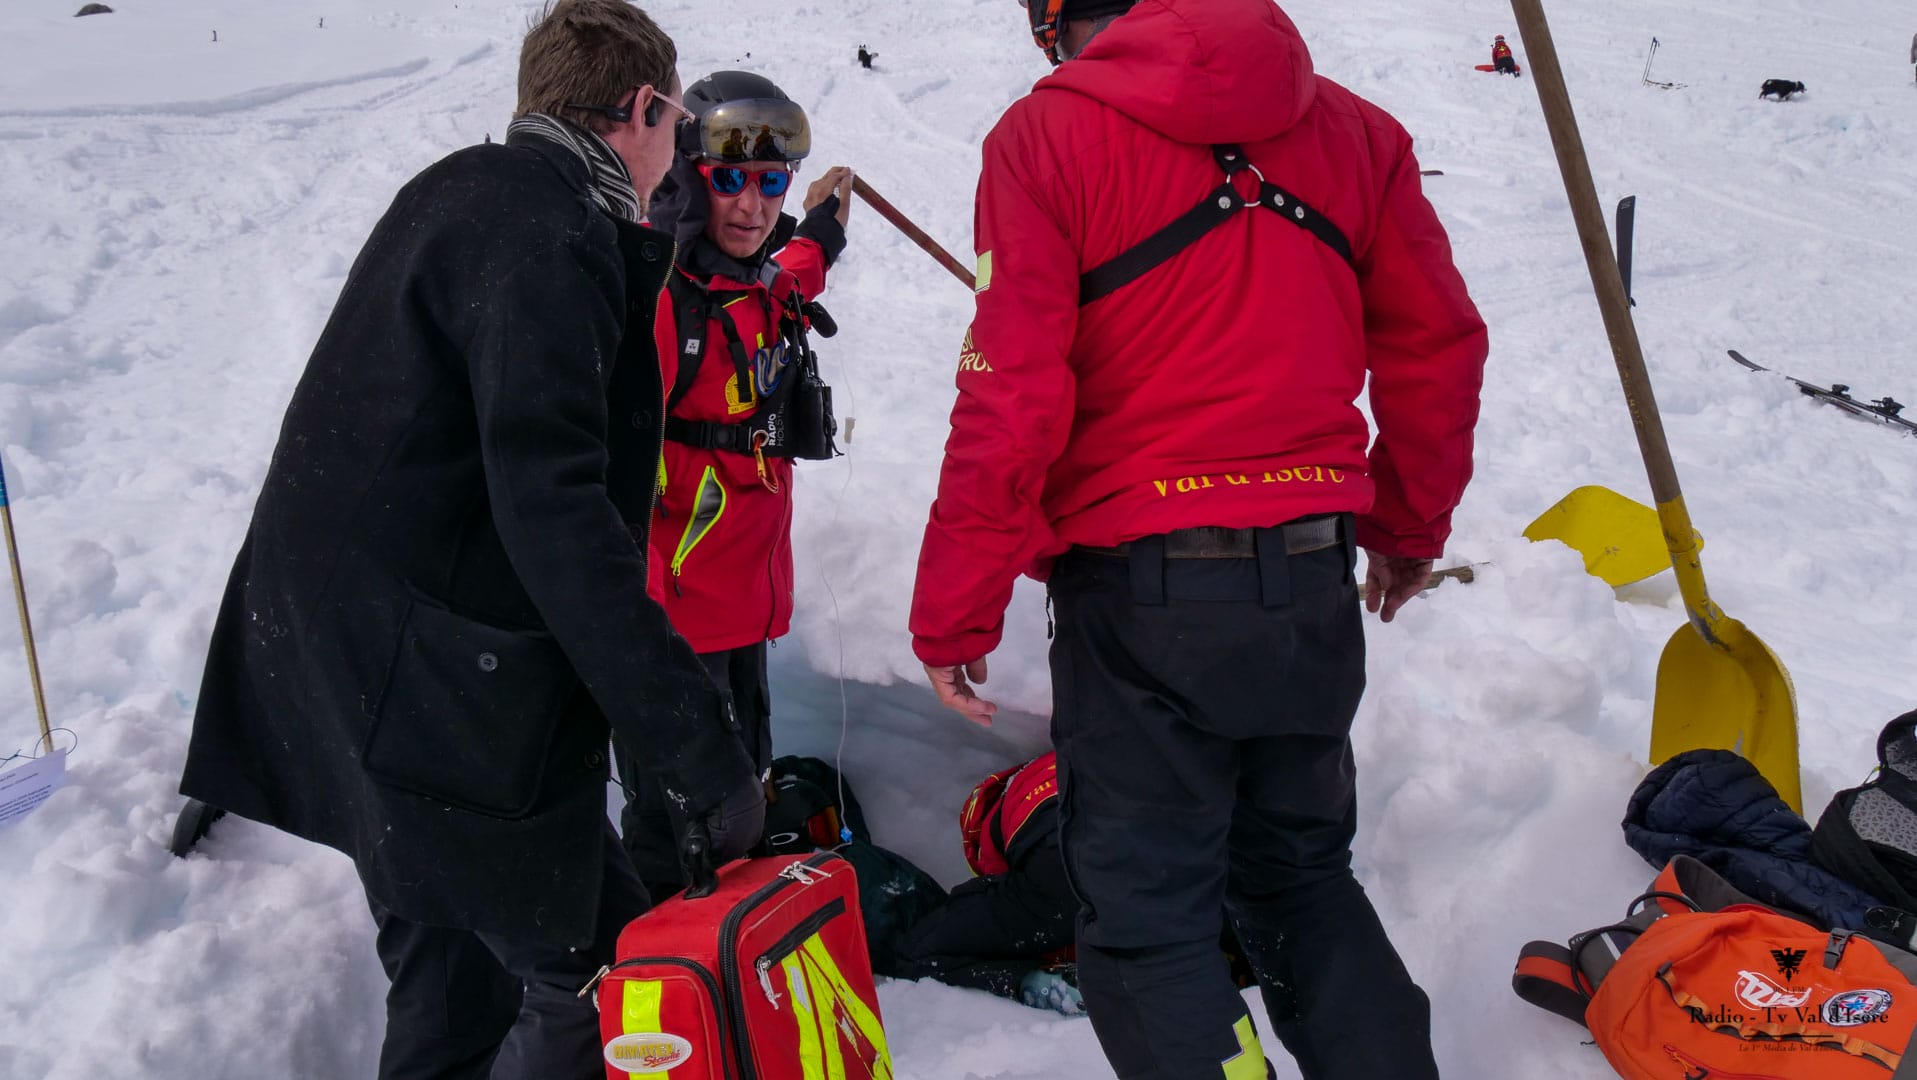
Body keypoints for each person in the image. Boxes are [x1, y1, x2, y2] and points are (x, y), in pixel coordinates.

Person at [175, 2, 766, 1076]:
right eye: (678, 124)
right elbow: (557, 512)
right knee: (604, 966)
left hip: (352, 651)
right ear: (639, 108)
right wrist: (693, 745)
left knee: (450, 971)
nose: (680, 154)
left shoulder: (462, 187)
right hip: (419, 684)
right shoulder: (552, 237)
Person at [909, 0, 1489, 1076]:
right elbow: (1438, 346)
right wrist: (1408, 527)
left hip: (1141, 597)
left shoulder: (1044, 135)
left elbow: (1011, 396)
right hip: (1309, 582)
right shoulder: (1357, 132)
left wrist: (956, 606)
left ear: (1058, 23)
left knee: (1146, 928)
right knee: (1302, 886)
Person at [613, 70, 853, 896]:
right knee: (678, 830)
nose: (752, 206)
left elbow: (795, 273)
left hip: (741, 614)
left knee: (738, 806)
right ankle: (656, 956)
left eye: (770, 182)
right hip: (672, 628)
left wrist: (822, 227)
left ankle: (731, 946)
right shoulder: (657, 303)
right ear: (687, 180)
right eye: (728, 181)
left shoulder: (755, 287)